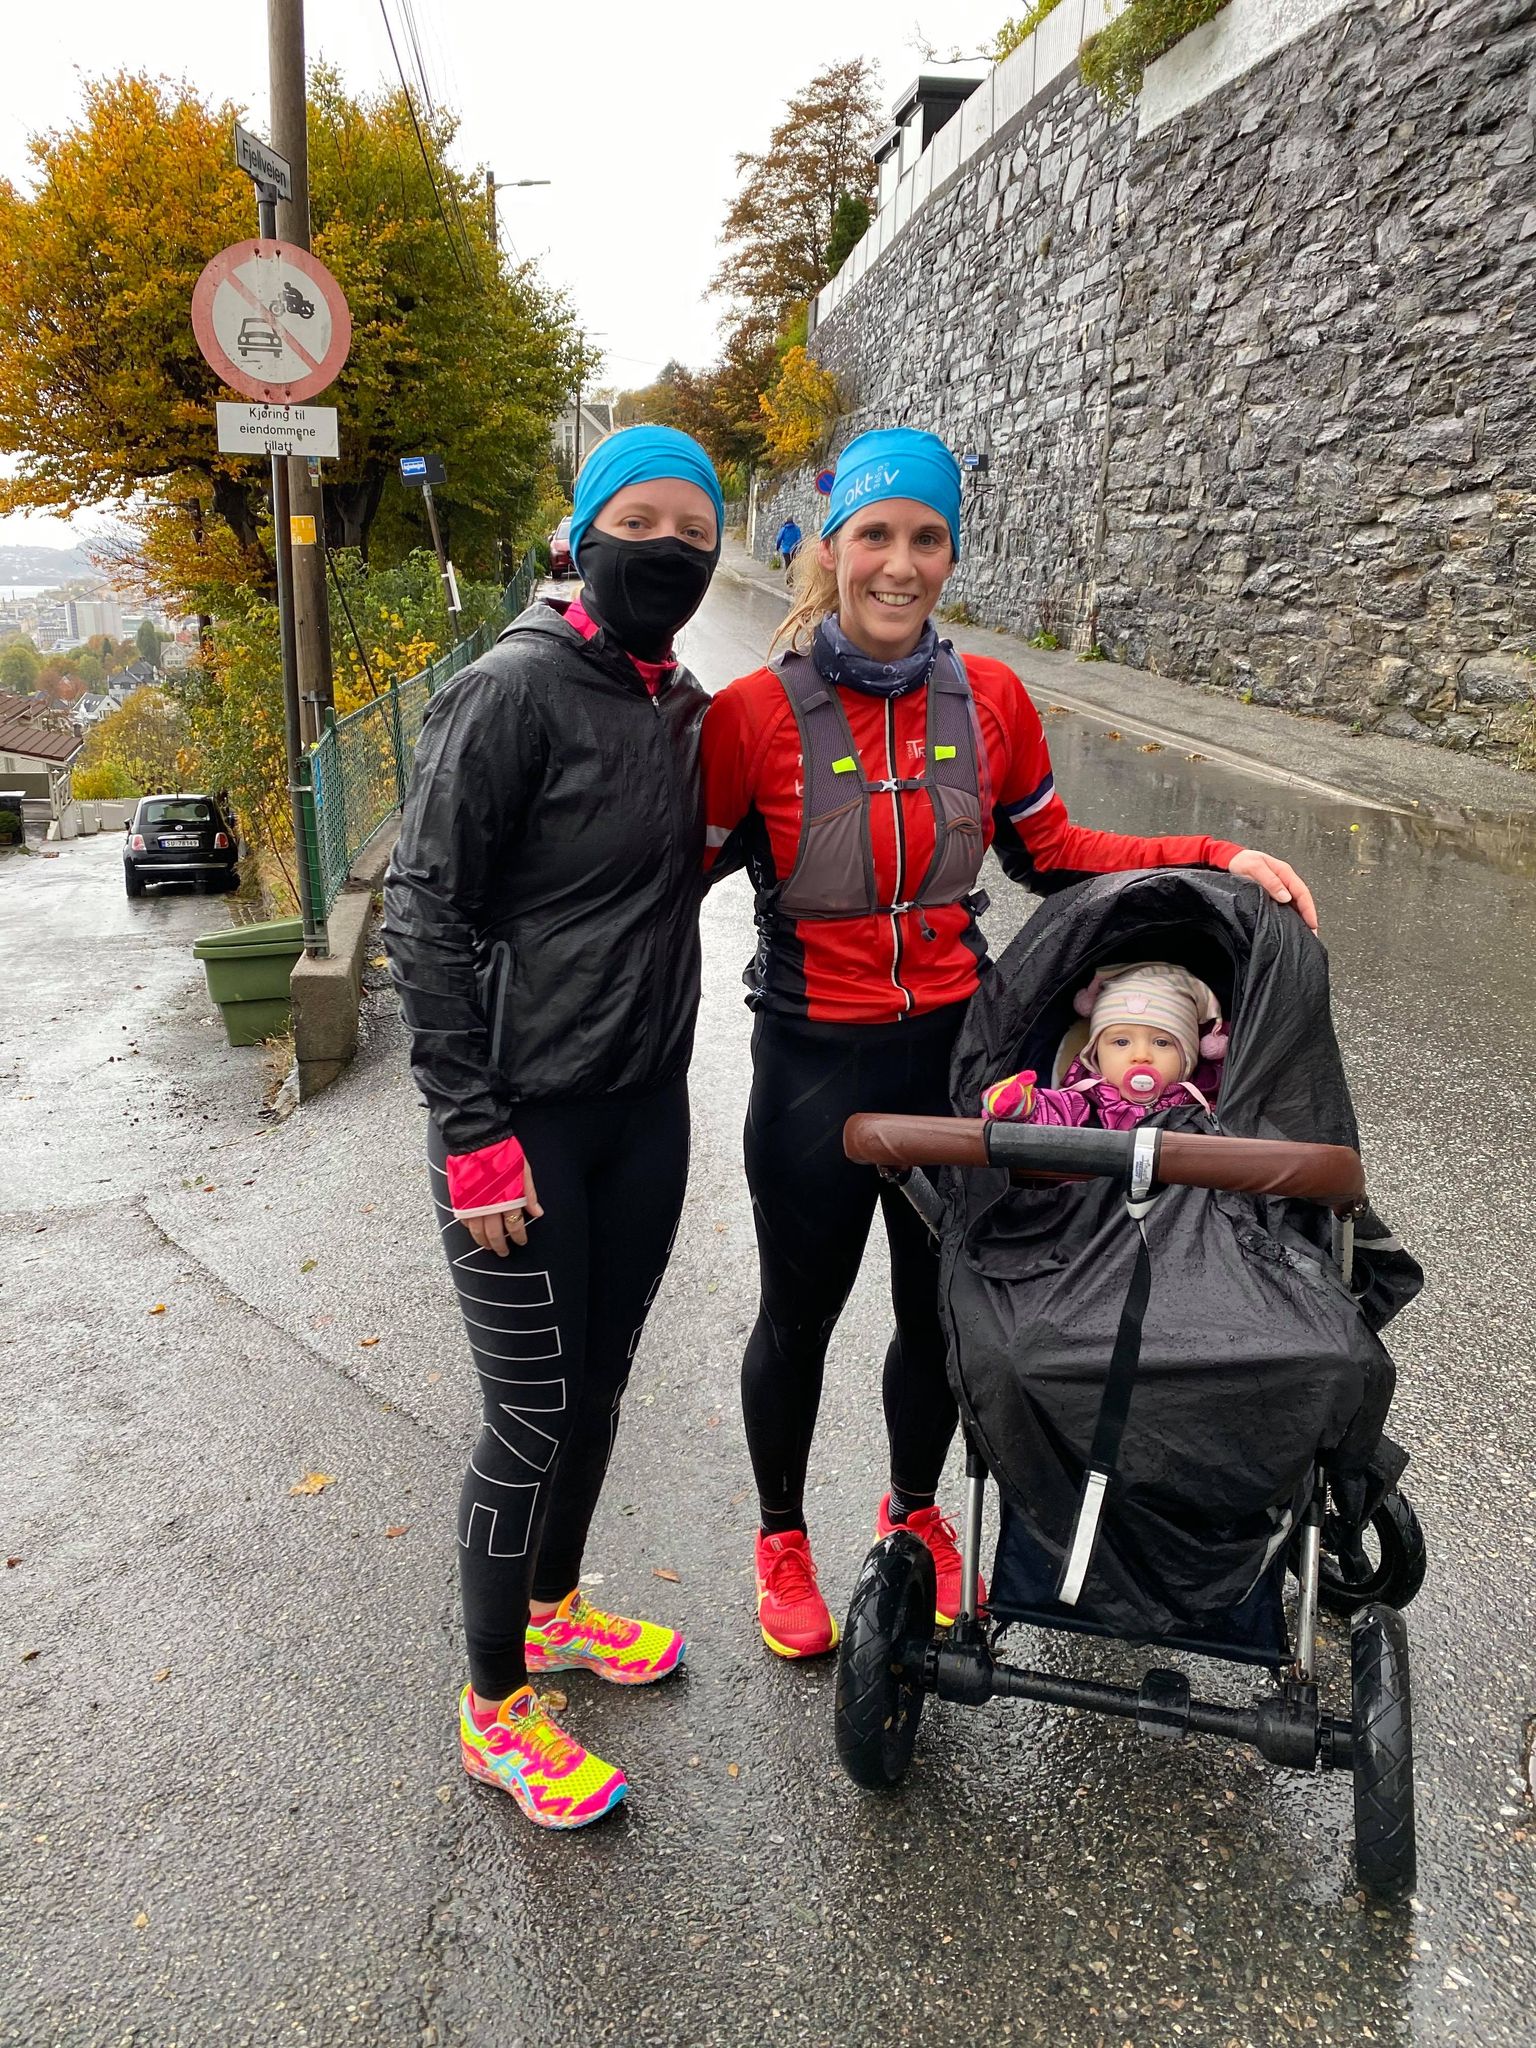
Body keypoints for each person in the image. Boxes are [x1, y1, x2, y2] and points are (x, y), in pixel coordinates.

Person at [700, 426, 1317, 1661]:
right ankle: (781, 1538)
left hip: (953, 1054)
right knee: (799, 1315)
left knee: (945, 1311)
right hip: (812, 1064)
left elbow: (1056, 851)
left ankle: (914, 1511)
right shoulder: (752, 715)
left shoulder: (988, 699)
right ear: (835, 547)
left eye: (927, 538)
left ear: (950, 553)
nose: (901, 563)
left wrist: (1213, 856)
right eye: (877, 534)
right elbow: (658, 882)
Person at [383, 425, 725, 1830]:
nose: (667, 550)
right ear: (581, 537)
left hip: (644, 1113)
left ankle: (556, 1608)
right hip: (518, 1125)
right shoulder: (508, 692)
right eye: (637, 522)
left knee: (596, 1389)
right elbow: (421, 913)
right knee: (529, 1416)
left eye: (694, 532)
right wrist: (470, 1131)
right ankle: (493, 1707)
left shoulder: (682, 705)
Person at [981, 960, 1227, 1129]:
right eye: (1121, 1041)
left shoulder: (1206, 1102)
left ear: (1189, 1056)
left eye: (1162, 1042)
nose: (1141, 1055)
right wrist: (1021, 1107)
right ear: (1095, 1053)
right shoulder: (1083, 1100)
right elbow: (1050, 1116)